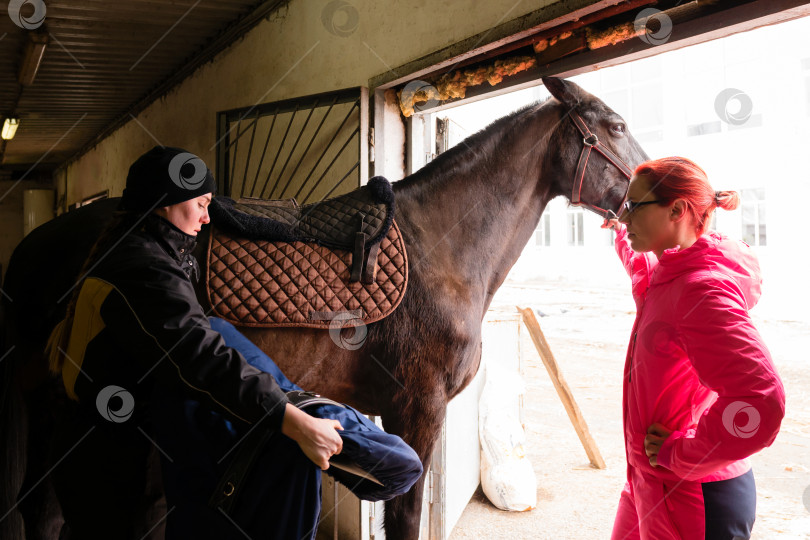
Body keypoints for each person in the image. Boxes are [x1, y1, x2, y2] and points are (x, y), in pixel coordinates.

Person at [46, 146, 421, 539]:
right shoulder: (144, 268)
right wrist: (292, 420)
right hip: (110, 462)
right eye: (201, 204)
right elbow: (201, 358)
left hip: (113, 442)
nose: (208, 217)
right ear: (165, 201)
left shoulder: (142, 248)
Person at [601, 157, 785, 540]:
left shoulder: (701, 289)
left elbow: (758, 402)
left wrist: (679, 453)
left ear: (677, 210)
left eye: (634, 207)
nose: (626, 215)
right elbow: (638, 266)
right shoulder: (665, 275)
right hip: (650, 482)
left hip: (691, 494)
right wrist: (620, 229)